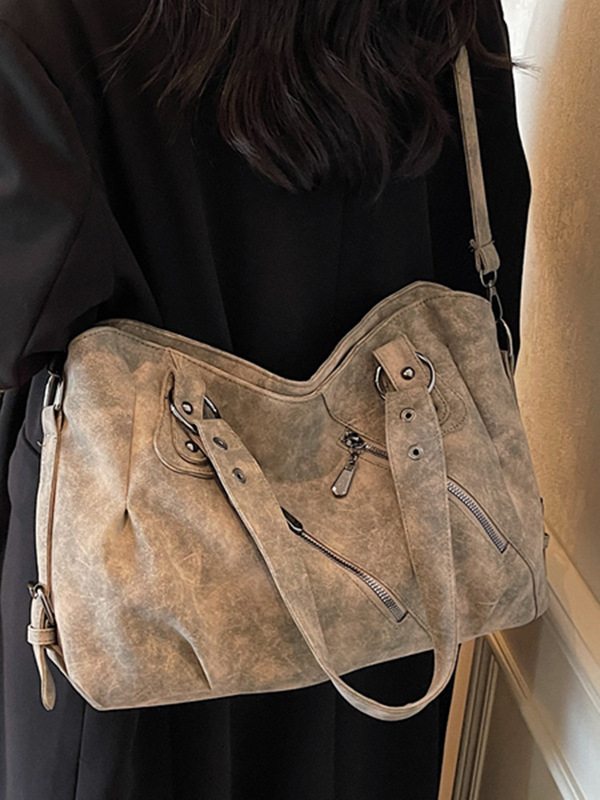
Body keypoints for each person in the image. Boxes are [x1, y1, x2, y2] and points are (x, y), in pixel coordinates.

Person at [0, 0, 530, 797]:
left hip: (145, 610)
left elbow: (21, 327)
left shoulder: (44, 21)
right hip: (391, 591)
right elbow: (484, 269)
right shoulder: (445, 14)